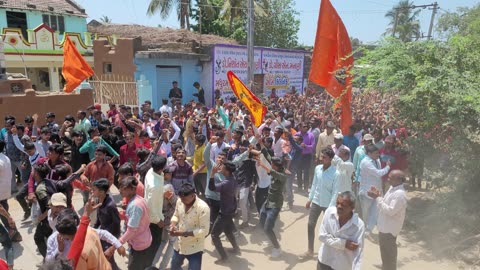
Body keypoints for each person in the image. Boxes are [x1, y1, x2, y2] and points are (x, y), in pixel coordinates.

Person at [301, 147, 338, 259]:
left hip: (328, 205)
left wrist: (331, 209)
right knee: (310, 225)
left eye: (324, 157)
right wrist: (309, 199)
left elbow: (335, 192)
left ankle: (329, 252)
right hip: (316, 202)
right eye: (321, 156)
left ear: (330, 159)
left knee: (329, 229)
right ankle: (310, 250)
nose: (321, 159)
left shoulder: (336, 173)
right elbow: (314, 185)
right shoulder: (317, 169)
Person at [368, 170, 408, 270]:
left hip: (389, 230)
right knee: (385, 256)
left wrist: (377, 198)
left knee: (389, 258)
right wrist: (377, 195)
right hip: (384, 227)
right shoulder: (392, 188)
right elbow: (385, 202)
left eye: (391, 178)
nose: (388, 179)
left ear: (399, 180)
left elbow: (390, 211)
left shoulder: (400, 194)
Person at [317, 191, 364, 270]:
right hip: (324, 261)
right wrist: (344, 244)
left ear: (352, 208)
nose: (339, 206)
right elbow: (322, 236)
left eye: (343, 205)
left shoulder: (358, 225)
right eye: (337, 203)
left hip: (342, 266)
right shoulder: (329, 213)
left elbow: (358, 253)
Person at [169, 183, 210, 270]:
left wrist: (182, 233)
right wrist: (173, 224)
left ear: (192, 196)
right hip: (180, 245)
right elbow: (176, 215)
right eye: (181, 198)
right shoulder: (180, 201)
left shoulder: (203, 208)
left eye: (184, 199)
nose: (182, 201)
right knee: (174, 267)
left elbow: (204, 231)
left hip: (195, 247)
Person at [208, 161, 240, 264]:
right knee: (227, 231)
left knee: (214, 235)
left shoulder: (226, 183)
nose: (220, 168)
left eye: (222, 167)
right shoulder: (232, 178)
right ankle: (236, 248)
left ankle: (224, 257)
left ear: (227, 171)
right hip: (231, 209)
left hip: (225, 212)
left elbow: (212, 188)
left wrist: (212, 174)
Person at [118, 176, 153, 270]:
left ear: (132, 189)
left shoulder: (135, 206)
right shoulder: (138, 199)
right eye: (120, 187)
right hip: (143, 240)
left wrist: (118, 243)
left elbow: (131, 230)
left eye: (124, 188)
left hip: (139, 245)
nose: (120, 190)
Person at [256, 157, 287, 258]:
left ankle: (277, 248)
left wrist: (263, 166)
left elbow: (273, 173)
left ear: (277, 166)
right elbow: (268, 156)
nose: (271, 165)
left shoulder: (282, 175)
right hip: (268, 201)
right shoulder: (275, 170)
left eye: (273, 164)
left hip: (275, 205)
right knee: (261, 221)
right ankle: (270, 240)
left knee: (268, 228)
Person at [358, 144, 391, 235]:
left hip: (376, 191)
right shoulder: (366, 162)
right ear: (369, 153)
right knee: (365, 214)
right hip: (366, 192)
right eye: (376, 153)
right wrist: (388, 167)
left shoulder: (376, 160)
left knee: (375, 212)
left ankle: (368, 230)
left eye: (378, 152)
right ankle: (362, 230)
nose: (378, 154)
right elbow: (378, 173)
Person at [91, 179, 122, 270]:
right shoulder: (98, 200)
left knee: (108, 258)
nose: (92, 191)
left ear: (101, 192)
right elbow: (99, 217)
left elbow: (117, 223)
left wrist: (113, 242)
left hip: (110, 236)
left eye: (94, 190)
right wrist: (94, 228)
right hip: (102, 233)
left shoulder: (110, 205)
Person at [144, 156, 167, 267]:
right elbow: (150, 205)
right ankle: (148, 266)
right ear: (162, 168)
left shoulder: (151, 172)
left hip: (154, 214)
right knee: (153, 246)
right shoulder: (155, 187)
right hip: (154, 220)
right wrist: (158, 221)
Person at [153, 184, 177, 270]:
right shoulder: (174, 199)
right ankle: (162, 267)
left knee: (162, 243)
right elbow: (178, 207)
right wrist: (172, 197)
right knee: (171, 244)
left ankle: (153, 264)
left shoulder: (160, 199)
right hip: (171, 225)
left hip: (163, 224)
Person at [295, 122, 315, 192]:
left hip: (307, 156)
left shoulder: (311, 135)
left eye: (307, 126)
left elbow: (312, 147)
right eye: (304, 126)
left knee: (306, 172)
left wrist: (306, 146)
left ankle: (306, 188)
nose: (306, 128)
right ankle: (299, 187)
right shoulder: (296, 135)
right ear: (300, 127)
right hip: (298, 155)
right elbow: (294, 145)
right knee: (298, 172)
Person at [192, 134, 207, 199]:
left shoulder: (204, 149)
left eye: (196, 140)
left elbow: (204, 164)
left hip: (202, 173)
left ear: (200, 142)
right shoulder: (196, 146)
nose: (194, 140)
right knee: (196, 189)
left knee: (204, 189)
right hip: (195, 170)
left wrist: (196, 172)